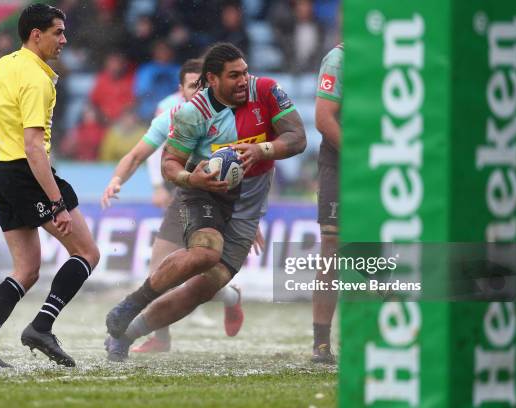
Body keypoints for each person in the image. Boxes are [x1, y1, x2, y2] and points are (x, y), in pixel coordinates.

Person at [104, 42, 306, 361]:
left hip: (247, 206)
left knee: (204, 288)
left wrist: (262, 150)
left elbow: (298, 138)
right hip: (203, 191)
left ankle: (125, 335)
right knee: (204, 253)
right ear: (212, 79)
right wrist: (191, 179)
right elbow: (169, 163)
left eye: (245, 72)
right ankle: (132, 302)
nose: (243, 81)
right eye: (234, 75)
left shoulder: (266, 91)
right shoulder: (192, 114)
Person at [0, 3, 100, 368]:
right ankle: (41, 326)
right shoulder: (38, 79)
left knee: (26, 270)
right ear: (36, 35)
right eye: (58, 32)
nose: (64, 39)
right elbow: (34, 146)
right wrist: (55, 203)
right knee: (87, 253)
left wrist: (6, 165)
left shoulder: (4, 66)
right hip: (26, 172)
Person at [101, 58, 251, 354]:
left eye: (202, 85)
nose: (198, 91)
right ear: (180, 90)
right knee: (161, 269)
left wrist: (249, 215)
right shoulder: (170, 115)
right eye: (191, 86)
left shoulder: (229, 114)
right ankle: (159, 338)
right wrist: (116, 180)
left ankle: (231, 298)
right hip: (186, 194)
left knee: (202, 277)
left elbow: (254, 166)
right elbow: (137, 155)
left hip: (226, 199)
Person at [312, 42, 343, 364]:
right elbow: (323, 118)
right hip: (341, 158)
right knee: (333, 243)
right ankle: (321, 341)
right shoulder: (339, 58)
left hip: (391, 159)